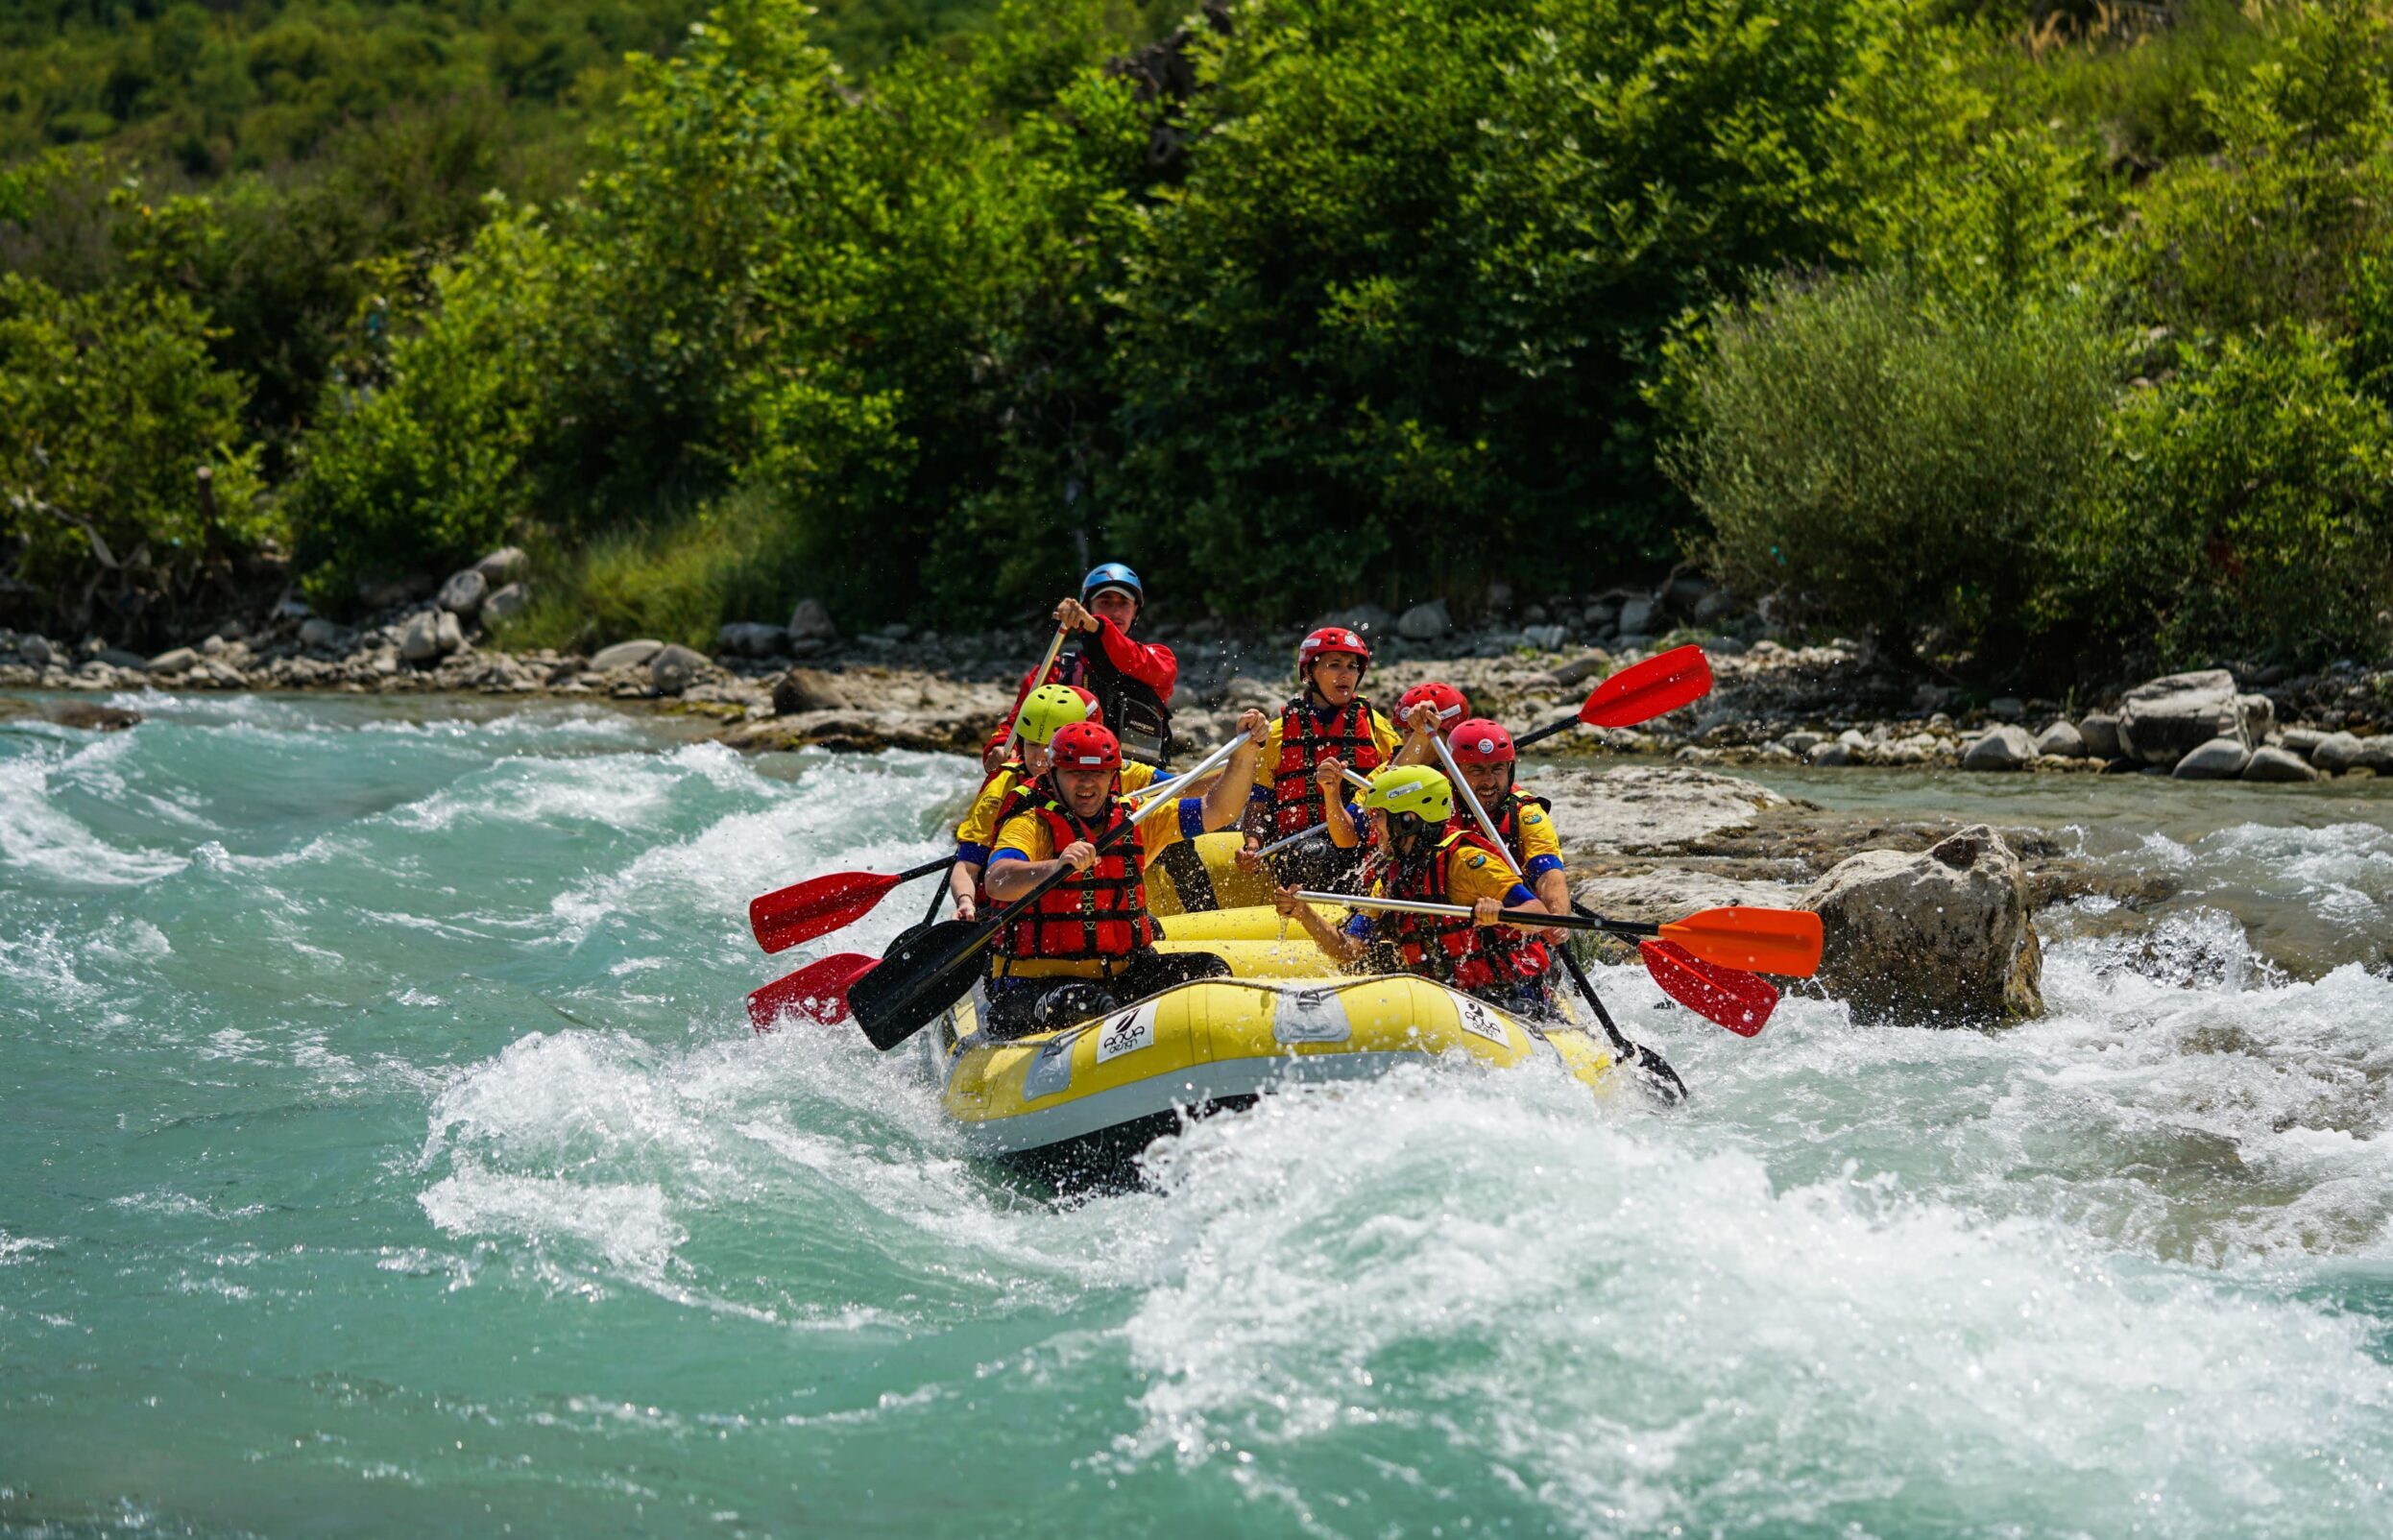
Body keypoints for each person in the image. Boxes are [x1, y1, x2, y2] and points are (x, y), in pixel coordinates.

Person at [981, 713, 1269, 1037]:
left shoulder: (1136, 818)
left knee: (1209, 969)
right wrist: (1055, 866)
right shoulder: (1031, 822)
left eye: (1099, 774)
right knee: (1088, 1003)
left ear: (1113, 776)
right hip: (1035, 984)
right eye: (1076, 773)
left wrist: (1244, 754)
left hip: (1124, 973)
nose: (1088, 784)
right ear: (1054, 773)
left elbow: (1219, 811)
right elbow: (998, 880)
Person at [1270, 765, 1559, 1018]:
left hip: (1513, 999)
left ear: (1408, 819)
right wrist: (1303, 914)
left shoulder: (1465, 862)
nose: (1373, 825)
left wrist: (1501, 915)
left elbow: (1540, 916)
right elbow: (1348, 950)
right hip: (1448, 1001)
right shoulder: (1392, 878)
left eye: (1379, 816)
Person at [950, 684, 1159, 922]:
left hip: (1084, 902)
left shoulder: (1113, 771)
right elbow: (967, 865)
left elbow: (1185, 786)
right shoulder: (1002, 788)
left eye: (1048, 746)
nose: (1039, 756)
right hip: (1013, 911)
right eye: (1032, 745)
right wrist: (965, 901)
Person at [1236, 626, 1407, 891]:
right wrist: (1252, 846)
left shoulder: (1375, 726)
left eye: (1352, 666)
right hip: (1297, 849)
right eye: (1334, 665)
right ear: (1309, 673)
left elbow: (1405, 773)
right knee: (1313, 853)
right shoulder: (1279, 732)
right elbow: (1258, 804)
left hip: (1361, 844)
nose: (1345, 674)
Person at [988, 563, 1179, 772]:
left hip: (1138, 787)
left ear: (1135, 611)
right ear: (1087, 607)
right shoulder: (1055, 671)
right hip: (1069, 790)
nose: (1115, 612)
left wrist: (1094, 625)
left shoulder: (1160, 660)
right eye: (1105, 602)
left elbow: (1124, 655)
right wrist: (998, 747)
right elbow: (1016, 725)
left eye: (1124, 603)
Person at [1443, 717, 1571, 919]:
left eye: (1497, 769)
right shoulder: (1436, 809)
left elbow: (1548, 874)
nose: (1489, 781)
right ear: (1453, 773)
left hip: (1518, 913)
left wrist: (1556, 921)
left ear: (1509, 770)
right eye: (1476, 769)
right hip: (1457, 913)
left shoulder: (1526, 813)